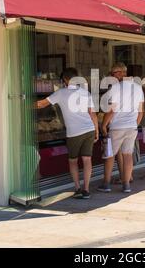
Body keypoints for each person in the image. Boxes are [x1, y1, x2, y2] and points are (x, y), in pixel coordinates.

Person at [36, 67, 98, 199]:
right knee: (87, 159)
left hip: (74, 132)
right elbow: (93, 114)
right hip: (89, 129)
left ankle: (77, 188)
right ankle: (86, 189)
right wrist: (96, 130)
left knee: (73, 161)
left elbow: (41, 104)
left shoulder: (61, 93)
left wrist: (21, 103)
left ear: (65, 80)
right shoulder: (85, 92)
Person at [98, 62, 144, 193]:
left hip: (117, 126)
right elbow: (141, 111)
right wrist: (135, 124)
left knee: (109, 155)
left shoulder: (116, 88)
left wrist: (104, 125)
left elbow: (112, 110)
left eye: (113, 74)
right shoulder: (137, 87)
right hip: (131, 127)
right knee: (128, 155)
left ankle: (106, 184)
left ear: (121, 73)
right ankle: (126, 185)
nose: (111, 77)